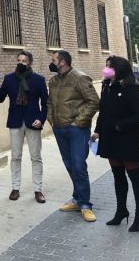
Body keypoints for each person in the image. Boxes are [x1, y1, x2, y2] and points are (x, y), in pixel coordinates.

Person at [91, 55, 139, 232]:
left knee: (134, 176)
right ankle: (121, 210)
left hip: (127, 138)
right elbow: (103, 111)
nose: (106, 69)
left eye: (110, 66)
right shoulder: (106, 86)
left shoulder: (130, 87)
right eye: (106, 66)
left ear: (119, 69)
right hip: (110, 138)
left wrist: (120, 125)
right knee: (118, 176)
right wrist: (97, 131)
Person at [47, 50, 100, 222]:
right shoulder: (53, 80)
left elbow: (94, 102)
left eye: (53, 60)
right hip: (59, 128)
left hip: (77, 129)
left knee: (78, 166)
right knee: (70, 165)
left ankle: (85, 205)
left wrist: (78, 122)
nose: (51, 62)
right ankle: (77, 200)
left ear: (62, 62)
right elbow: (49, 102)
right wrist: (51, 120)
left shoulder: (80, 77)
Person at [0, 51, 48, 203]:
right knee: (15, 157)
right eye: (19, 60)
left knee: (36, 157)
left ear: (30, 63)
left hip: (33, 122)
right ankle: (15, 188)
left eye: (24, 61)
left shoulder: (38, 80)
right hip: (15, 121)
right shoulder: (9, 78)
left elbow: (46, 103)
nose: (20, 63)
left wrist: (41, 119)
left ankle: (38, 190)